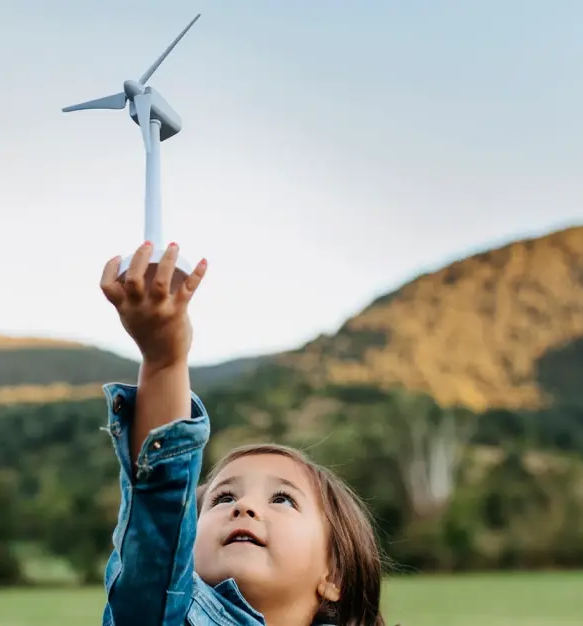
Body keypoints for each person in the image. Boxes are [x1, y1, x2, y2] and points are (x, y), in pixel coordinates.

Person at [97, 242, 390, 626]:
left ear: (333, 575)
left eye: (283, 499)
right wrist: (164, 359)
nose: (244, 507)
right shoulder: (163, 612)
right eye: (222, 497)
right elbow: (159, 515)